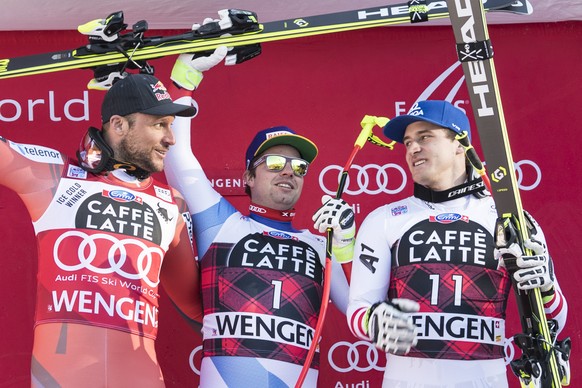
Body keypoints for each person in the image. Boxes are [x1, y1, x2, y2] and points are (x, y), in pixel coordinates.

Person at [340, 100, 568, 387]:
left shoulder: (509, 218)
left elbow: (555, 323)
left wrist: (545, 288)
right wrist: (374, 321)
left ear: (460, 144)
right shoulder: (384, 219)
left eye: (425, 138)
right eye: (408, 142)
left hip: (485, 379)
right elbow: (359, 307)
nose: (412, 149)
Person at [0, 72, 208, 387]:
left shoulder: (171, 204)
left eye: (170, 125)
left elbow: (197, 307)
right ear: (119, 125)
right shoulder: (56, 177)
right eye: (159, 125)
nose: (171, 138)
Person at [163, 50, 350, 387]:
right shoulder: (221, 223)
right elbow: (178, 158)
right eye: (275, 163)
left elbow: (358, 311)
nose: (289, 172)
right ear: (248, 177)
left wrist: (347, 246)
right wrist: (185, 80)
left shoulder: (322, 243)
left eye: (299, 167)